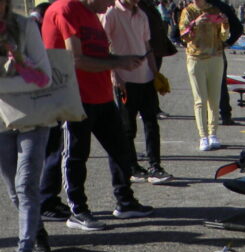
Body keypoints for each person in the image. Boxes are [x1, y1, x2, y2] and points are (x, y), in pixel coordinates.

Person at [42, 0, 154, 232]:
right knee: (75, 154)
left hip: (100, 95)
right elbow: (76, 59)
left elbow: (98, 54)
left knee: (121, 148)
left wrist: (116, 70)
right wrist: (119, 62)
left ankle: (125, 201)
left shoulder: (92, 13)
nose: (111, 4)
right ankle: (78, 211)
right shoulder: (66, 9)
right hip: (75, 97)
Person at [0, 0, 53, 252]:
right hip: (0, 121)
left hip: (33, 114)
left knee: (26, 184)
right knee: (13, 190)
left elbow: (43, 77)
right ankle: (36, 228)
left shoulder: (25, 27)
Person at [102, 0, 174, 183]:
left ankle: (155, 166)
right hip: (125, 79)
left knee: (151, 123)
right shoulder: (110, 14)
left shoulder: (141, 14)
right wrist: (114, 74)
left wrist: (155, 73)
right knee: (128, 128)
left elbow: (147, 46)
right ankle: (132, 167)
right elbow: (103, 45)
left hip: (146, 77)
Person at [178, 0, 228, 150]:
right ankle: (203, 136)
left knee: (214, 99)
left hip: (215, 57)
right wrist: (195, 23)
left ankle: (213, 134)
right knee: (200, 99)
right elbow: (183, 36)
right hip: (196, 59)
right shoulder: (188, 11)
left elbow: (224, 36)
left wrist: (225, 24)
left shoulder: (215, 10)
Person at [204, 0, 242, 126]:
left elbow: (178, 32)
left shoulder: (193, 9)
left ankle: (206, 117)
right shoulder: (222, 7)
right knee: (220, 85)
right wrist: (227, 43)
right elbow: (238, 29)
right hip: (217, 51)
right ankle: (225, 115)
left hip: (200, 53)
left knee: (202, 87)